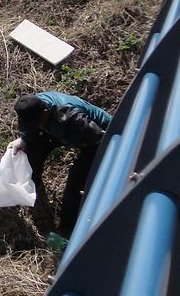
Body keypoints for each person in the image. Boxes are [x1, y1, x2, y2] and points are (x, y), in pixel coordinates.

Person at [11, 92, 111, 241]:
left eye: (36, 123)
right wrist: (23, 140)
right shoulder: (33, 105)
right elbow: (30, 130)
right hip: (59, 131)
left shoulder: (70, 115)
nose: (35, 126)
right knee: (32, 150)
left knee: (76, 180)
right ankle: (33, 188)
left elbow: (101, 139)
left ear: (44, 112)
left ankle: (68, 226)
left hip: (97, 138)